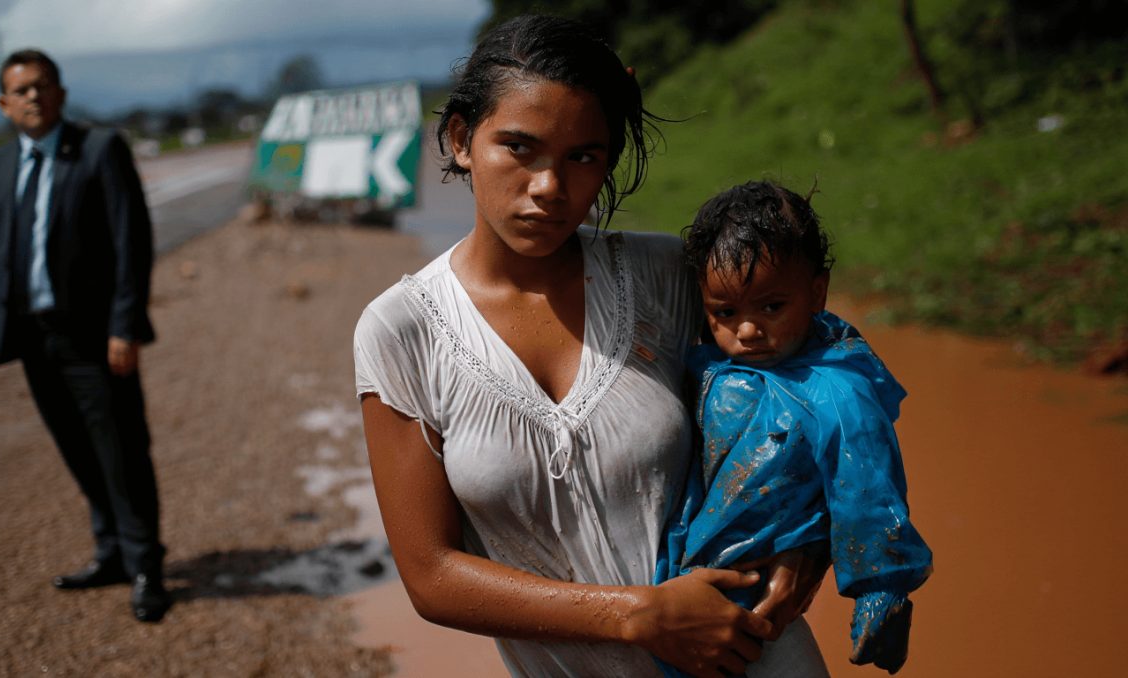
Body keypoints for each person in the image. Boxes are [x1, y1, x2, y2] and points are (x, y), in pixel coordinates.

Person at [354, 16, 829, 677]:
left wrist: (815, 532)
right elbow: (431, 576)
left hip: (755, 655)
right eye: (520, 148)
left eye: (583, 156)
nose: (550, 187)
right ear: (463, 139)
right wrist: (638, 615)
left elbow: (819, 374)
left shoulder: (666, 278)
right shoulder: (402, 331)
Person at [655, 181, 934, 674]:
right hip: (690, 558)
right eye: (726, 312)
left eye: (771, 307)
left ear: (817, 292)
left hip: (757, 576)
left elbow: (868, 489)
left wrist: (881, 589)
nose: (746, 330)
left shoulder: (837, 393)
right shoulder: (712, 363)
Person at [0, 48, 170, 623]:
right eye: (21, 89)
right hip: (33, 340)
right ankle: (109, 552)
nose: (33, 95)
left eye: (43, 85)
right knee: (76, 450)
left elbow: (133, 242)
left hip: (96, 340)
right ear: (5, 104)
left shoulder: (100, 150)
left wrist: (124, 326)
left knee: (122, 451)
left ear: (60, 93)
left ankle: (145, 566)